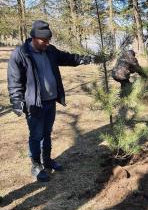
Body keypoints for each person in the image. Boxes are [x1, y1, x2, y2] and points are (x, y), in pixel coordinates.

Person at [7, 20, 103, 182]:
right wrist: (16, 101)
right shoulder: (21, 53)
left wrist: (86, 59)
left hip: (50, 101)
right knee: (36, 135)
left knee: (47, 133)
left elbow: (67, 58)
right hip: (34, 104)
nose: (47, 43)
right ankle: (36, 165)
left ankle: (48, 160)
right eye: (44, 40)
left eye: (48, 40)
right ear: (34, 38)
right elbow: (14, 81)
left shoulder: (50, 50)